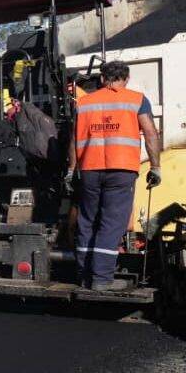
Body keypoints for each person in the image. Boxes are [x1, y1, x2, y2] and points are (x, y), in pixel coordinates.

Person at [68, 60, 162, 291]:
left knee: (88, 220)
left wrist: (72, 169)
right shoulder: (136, 100)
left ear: (102, 79)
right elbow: (150, 133)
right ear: (126, 78)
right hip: (121, 171)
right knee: (111, 223)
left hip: (89, 169)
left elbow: (74, 140)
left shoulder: (84, 102)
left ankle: (84, 275)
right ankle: (101, 279)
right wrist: (156, 167)